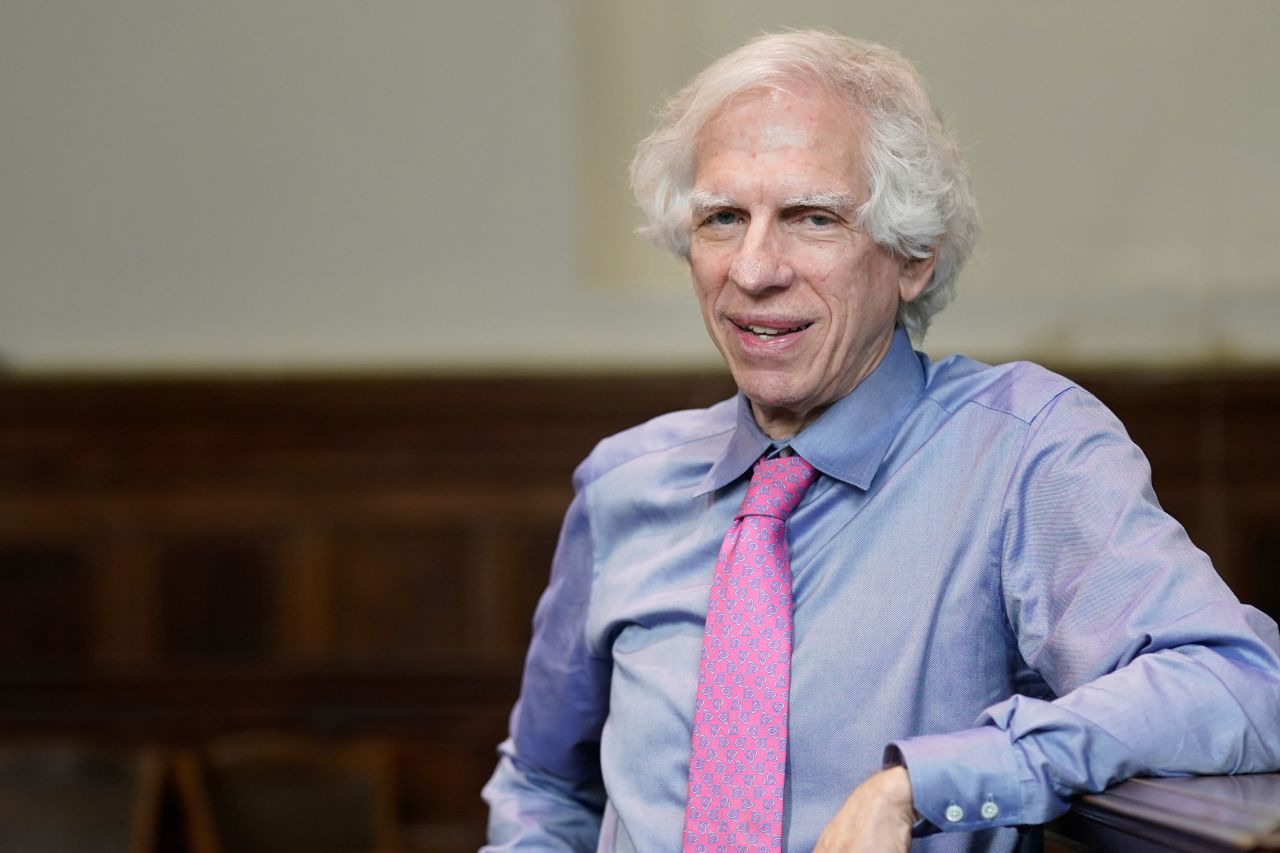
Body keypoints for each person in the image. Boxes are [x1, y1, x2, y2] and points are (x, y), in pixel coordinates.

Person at [482, 29, 1280, 852]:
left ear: (914, 258)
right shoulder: (625, 483)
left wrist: (925, 783)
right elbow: (542, 783)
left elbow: (1241, 683)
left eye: (811, 217)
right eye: (723, 217)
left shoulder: (1020, 453)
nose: (753, 269)